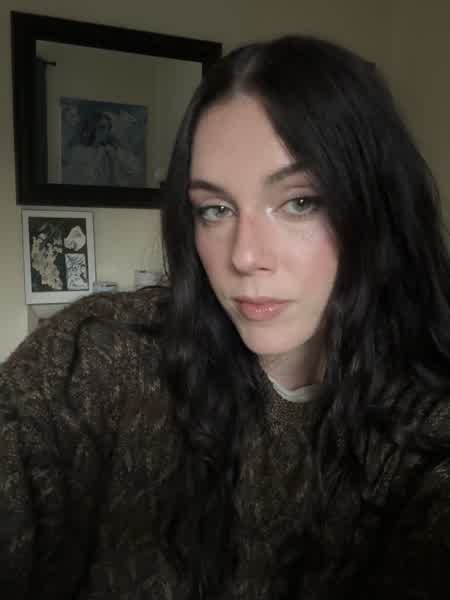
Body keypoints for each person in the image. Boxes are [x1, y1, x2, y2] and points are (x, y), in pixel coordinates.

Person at [2, 34, 450, 600]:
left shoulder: (426, 423)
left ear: (376, 208)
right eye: (215, 209)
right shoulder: (99, 356)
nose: (244, 255)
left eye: (300, 201)